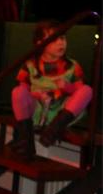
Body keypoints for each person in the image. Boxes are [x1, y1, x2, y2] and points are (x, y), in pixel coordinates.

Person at [11, 20, 93, 157]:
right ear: (40, 43)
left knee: (87, 90)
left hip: (61, 111)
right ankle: (25, 141)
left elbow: (80, 91)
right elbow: (23, 89)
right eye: (54, 39)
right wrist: (37, 94)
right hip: (37, 109)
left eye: (63, 38)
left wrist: (67, 87)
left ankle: (53, 131)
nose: (61, 43)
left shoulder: (72, 66)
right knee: (17, 92)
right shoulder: (30, 64)